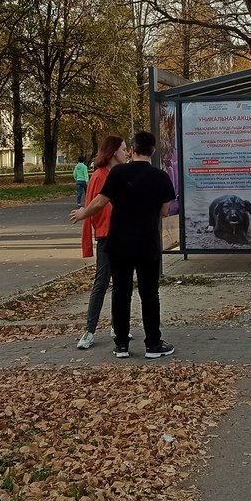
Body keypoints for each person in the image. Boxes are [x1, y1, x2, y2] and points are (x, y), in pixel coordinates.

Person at [70, 130, 175, 359]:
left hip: (119, 243)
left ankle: (121, 346)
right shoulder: (161, 177)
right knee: (149, 293)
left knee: (121, 292)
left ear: (132, 151)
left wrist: (82, 213)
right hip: (147, 243)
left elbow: (100, 202)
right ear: (153, 151)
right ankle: (153, 344)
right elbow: (165, 211)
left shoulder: (117, 172)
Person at [76, 136, 129, 349]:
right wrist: (87, 243)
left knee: (121, 284)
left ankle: (118, 327)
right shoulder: (99, 176)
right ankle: (89, 331)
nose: (127, 153)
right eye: (124, 149)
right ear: (114, 151)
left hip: (123, 235)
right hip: (106, 236)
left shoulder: (122, 174)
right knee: (101, 283)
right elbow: (91, 208)